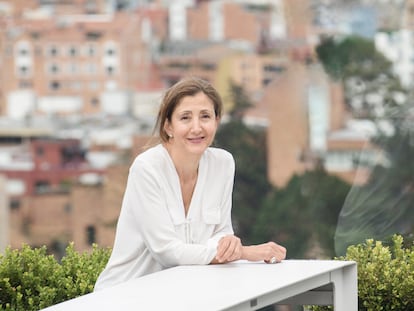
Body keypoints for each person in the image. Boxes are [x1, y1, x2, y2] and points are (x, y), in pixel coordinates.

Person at [94, 77, 286, 291]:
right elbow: (166, 251)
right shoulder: (147, 168)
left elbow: (221, 232)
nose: (197, 127)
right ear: (168, 126)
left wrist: (228, 244)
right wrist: (243, 252)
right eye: (185, 118)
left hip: (179, 294)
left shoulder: (223, 164)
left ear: (217, 121)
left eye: (205, 116)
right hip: (122, 297)